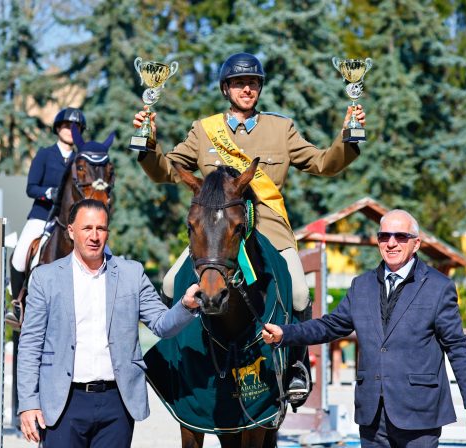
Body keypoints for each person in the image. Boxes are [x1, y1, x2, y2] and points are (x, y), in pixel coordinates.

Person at [133, 52, 365, 397]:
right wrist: (147, 144)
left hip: (268, 227)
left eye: (253, 83)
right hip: (217, 233)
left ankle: (297, 365)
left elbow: (322, 163)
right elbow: (166, 171)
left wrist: (348, 137)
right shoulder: (204, 130)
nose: (247, 89)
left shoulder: (281, 129)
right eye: (239, 83)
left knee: (299, 292)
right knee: (169, 282)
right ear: (226, 89)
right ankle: (174, 359)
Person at [262, 209, 466, 446]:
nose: (391, 243)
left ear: (416, 243)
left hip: (419, 412)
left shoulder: (438, 287)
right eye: (384, 236)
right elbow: (330, 326)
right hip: (372, 415)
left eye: (400, 236)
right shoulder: (361, 285)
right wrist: (285, 333)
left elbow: (457, 347)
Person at [17, 199, 200, 447]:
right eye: (87, 228)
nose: (94, 236)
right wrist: (28, 403)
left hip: (117, 403)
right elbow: (30, 344)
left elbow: (161, 323)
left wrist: (186, 305)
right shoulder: (45, 278)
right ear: (71, 231)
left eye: (100, 228)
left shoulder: (131, 274)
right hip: (62, 402)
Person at [10, 107, 87, 302]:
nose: (71, 130)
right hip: (42, 216)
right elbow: (31, 188)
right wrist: (49, 192)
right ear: (58, 128)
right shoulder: (45, 154)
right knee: (19, 257)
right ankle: (17, 304)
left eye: (76, 127)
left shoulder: (80, 160)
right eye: (67, 126)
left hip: (71, 221)